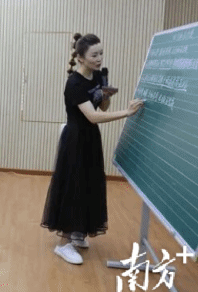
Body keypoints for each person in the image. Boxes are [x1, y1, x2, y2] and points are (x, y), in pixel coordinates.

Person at [41, 33, 144, 265]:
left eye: (101, 54)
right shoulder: (74, 83)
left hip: (91, 138)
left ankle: (78, 233)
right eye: (94, 55)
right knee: (74, 186)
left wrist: (106, 95)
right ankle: (63, 243)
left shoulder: (99, 74)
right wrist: (127, 113)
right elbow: (93, 116)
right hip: (75, 139)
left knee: (89, 184)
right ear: (80, 58)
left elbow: (102, 106)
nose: (99, 59)